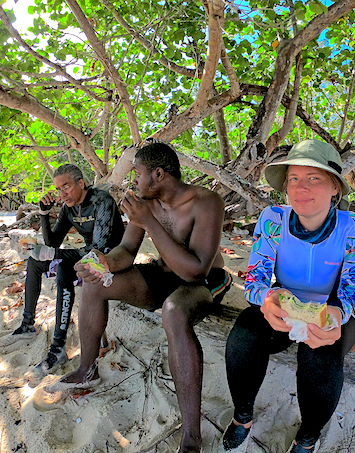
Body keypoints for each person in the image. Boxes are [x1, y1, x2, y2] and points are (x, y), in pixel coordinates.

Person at [46, 142, 232, 453]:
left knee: (173, 310)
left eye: (138, 175)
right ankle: (86, 370)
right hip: (161, 274)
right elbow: (127, 251)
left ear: (158, 174)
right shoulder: (145, 202)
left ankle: (191, 435)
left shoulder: (206, 201)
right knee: (93, 285)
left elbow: (195, 272)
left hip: (204, 281)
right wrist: (100, 261)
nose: (133, 183)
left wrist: (149, 223)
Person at [218, 140, 355, 453]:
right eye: (293, 178)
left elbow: (349, 290)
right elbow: (254, 280)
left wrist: (335, 316)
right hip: (284, 308)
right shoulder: (272, 219)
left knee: (320, 357)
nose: (301, 187)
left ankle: (307, 436)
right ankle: (243, 416)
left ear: (334, 187)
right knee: (245, 333)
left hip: (331, 313)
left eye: (314, 177)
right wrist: (267, 298)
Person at [0, 163, 125, 381]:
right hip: (87, 257)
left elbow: (98, 249)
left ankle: (58, 349)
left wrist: (51, 253)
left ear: (81, 183)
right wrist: (44, 213)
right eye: (58, 189)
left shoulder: (102, 201)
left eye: (66, 187)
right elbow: (53, 242)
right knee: (34, 262)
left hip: (111, 260)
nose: (62, 194)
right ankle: (28, 325)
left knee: (65, 267)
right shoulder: (68, 208)